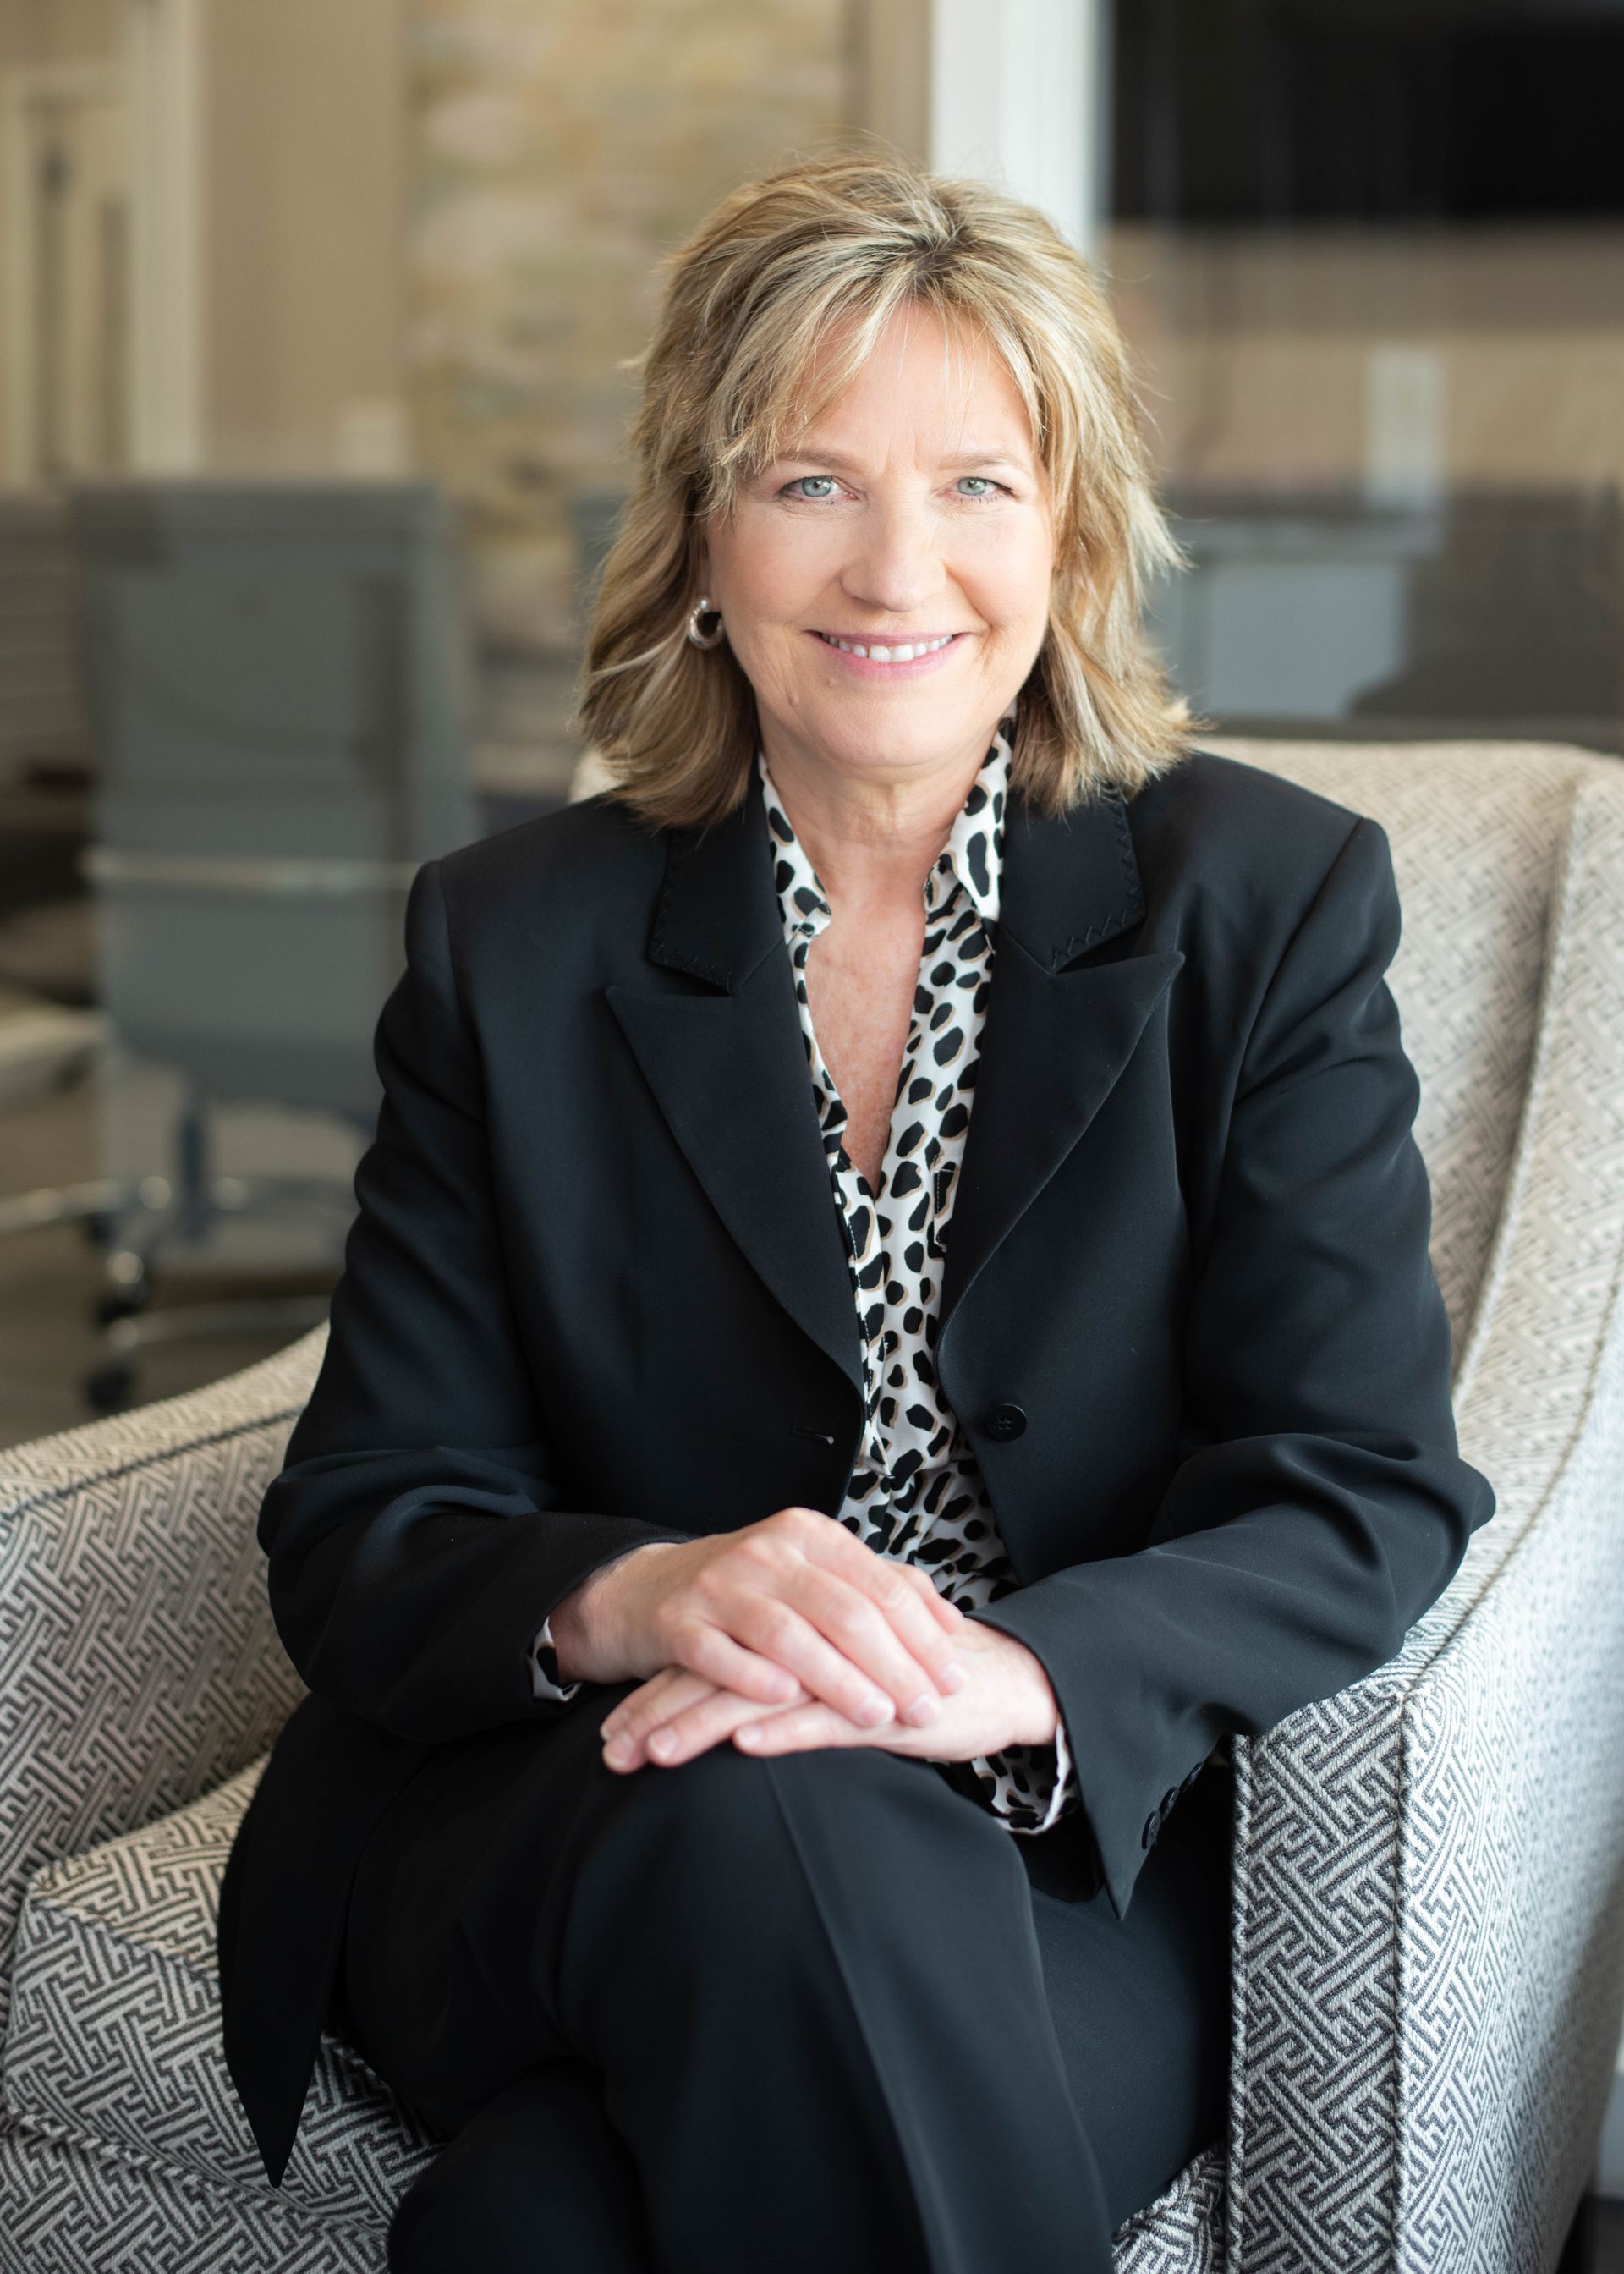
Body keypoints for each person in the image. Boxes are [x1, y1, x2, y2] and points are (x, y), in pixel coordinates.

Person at [216, 150, 1495, 2274]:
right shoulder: (511, 946)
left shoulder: (1262, 910)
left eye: (981, 485)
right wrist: (646, 1595)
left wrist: (1004, 1674)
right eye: (810, 481)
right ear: (701, 539)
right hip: (573, 1815)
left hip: (1041, 1851)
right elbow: (367, 1524)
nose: (898, 566)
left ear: (1072, 534)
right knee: (766, 1817)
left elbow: (1361, 1485)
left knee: (529, 2234)